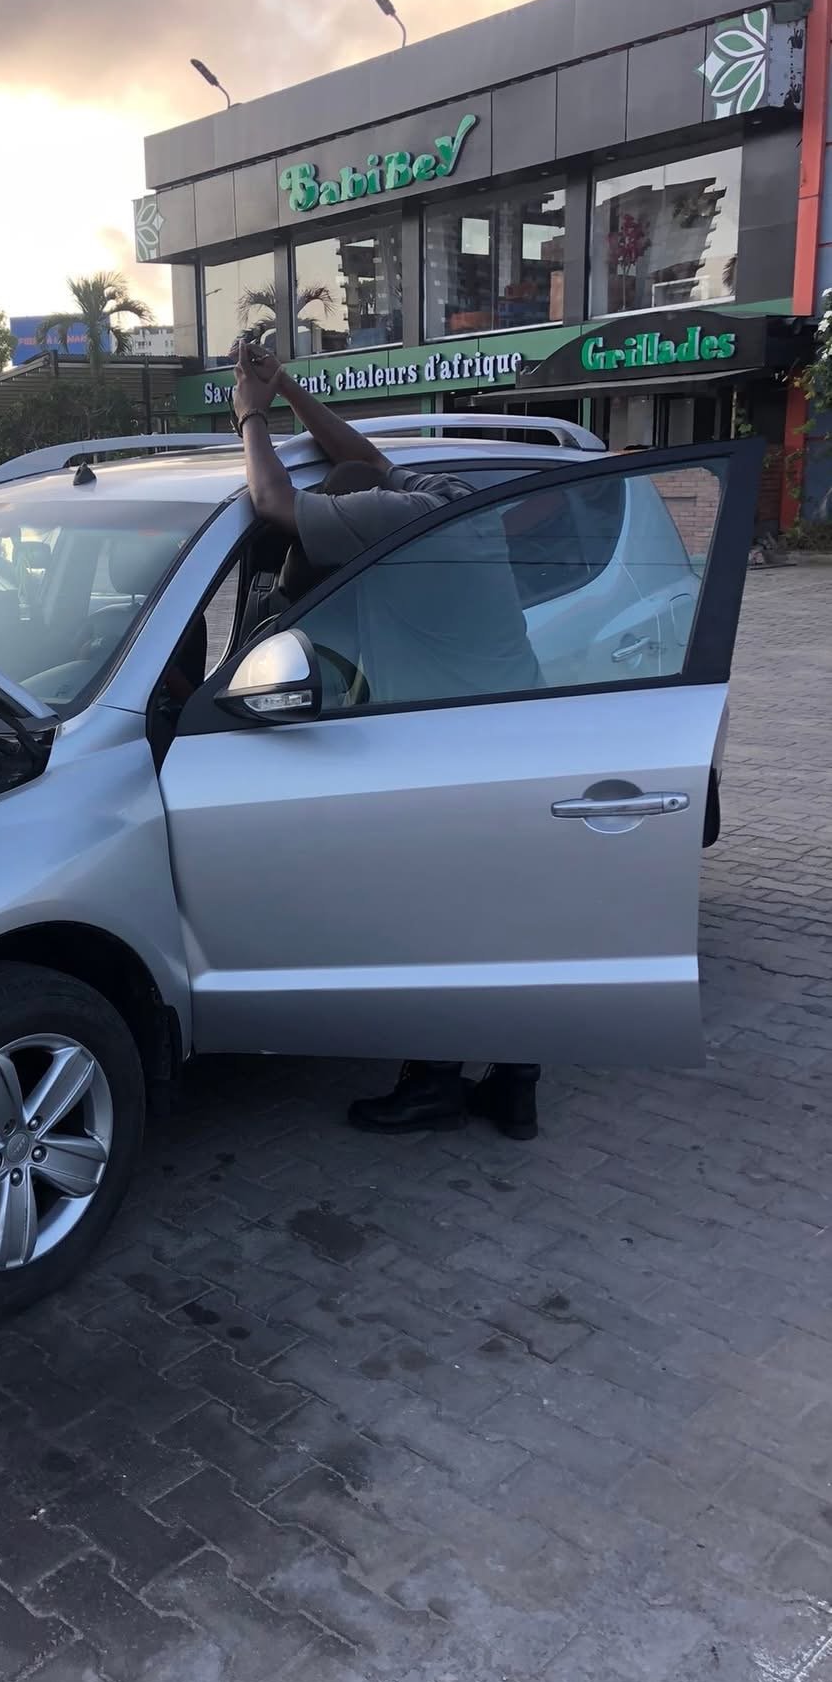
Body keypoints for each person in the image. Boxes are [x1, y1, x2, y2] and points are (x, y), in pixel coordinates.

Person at [229, 340, 542, 1141]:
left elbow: (271, 502)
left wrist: (250, 412)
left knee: (440, 923)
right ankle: (515, 1085)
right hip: (525, 740)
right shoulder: (434, 495)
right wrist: (289, 387)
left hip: (456, 753)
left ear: (355, 520)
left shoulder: (385, 521)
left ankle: (434, 1082)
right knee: (506, 923)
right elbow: (360, 457)